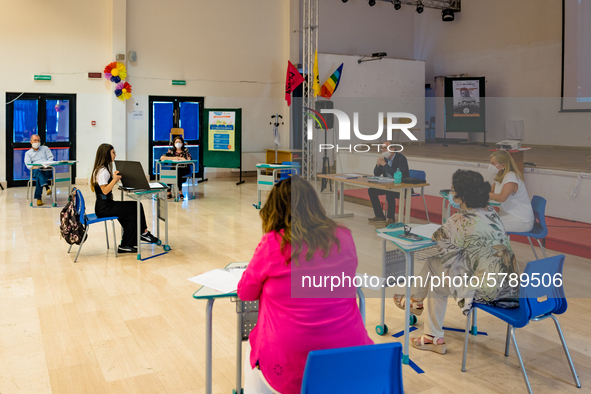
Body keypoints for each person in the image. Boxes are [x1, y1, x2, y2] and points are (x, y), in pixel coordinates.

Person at [237, 176, 373, 394]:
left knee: (252, 353)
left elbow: (245, 292)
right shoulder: (343, 236)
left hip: (291, 366)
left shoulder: (273, 243)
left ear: (275, 210)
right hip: (349, 357)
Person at [393, 170, 519, 354]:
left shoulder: (460, 220)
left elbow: (439, 240)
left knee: (432, 263)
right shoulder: (491, 213)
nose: (450, 194)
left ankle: (418, 305)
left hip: (485, 293)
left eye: (452, 191)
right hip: (509, 290)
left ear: (461, 196)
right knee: (437, 280)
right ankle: (429, 332)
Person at [90, 143, 159, 253]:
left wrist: (113, 178)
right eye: (113, 152)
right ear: (106, 154)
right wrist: (114, 180)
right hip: (104, 207)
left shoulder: (101, 169)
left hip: (104, 206)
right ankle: (143, 232)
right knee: (136, 205)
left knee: (131, 214)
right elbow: (105, 190)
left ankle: (126, 245)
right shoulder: (103, 171)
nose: (115, 155)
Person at [488, 150, 534, 232]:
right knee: (483, 219)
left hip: (520, 219)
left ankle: (498, 245)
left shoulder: (511, 177)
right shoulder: (500, 176)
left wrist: (485, 194)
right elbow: (490, 191)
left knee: (487, 225)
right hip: (507, 214)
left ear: (503, 165)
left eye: (493, 163)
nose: (491, 165)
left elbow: (501, 198)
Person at [367, 141, 410, 225]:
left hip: (402, 186)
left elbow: (397, 175)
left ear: (393, 149)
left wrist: (385, 165)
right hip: (388, 184)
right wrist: (378, 165)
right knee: (371, 190)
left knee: (390, 192)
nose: (382, 150)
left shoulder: (401, 159)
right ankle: (379, 216)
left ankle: (391, 218)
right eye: (382, 148)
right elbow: (376, 174)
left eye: (385, 148)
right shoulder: (385, 159)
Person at [24, 134, 53, 206]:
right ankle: (46, 187)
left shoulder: (45, 148)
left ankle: (39, 199)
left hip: (47, 170)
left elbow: (51, 158)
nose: (37, 142)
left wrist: (46, 164)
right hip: (35, 171)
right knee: (39, 171)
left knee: (39, 176)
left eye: (38, 140)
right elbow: (28, 165)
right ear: (31, 142)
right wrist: (37, 167)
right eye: (35, 140)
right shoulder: (28, 153)